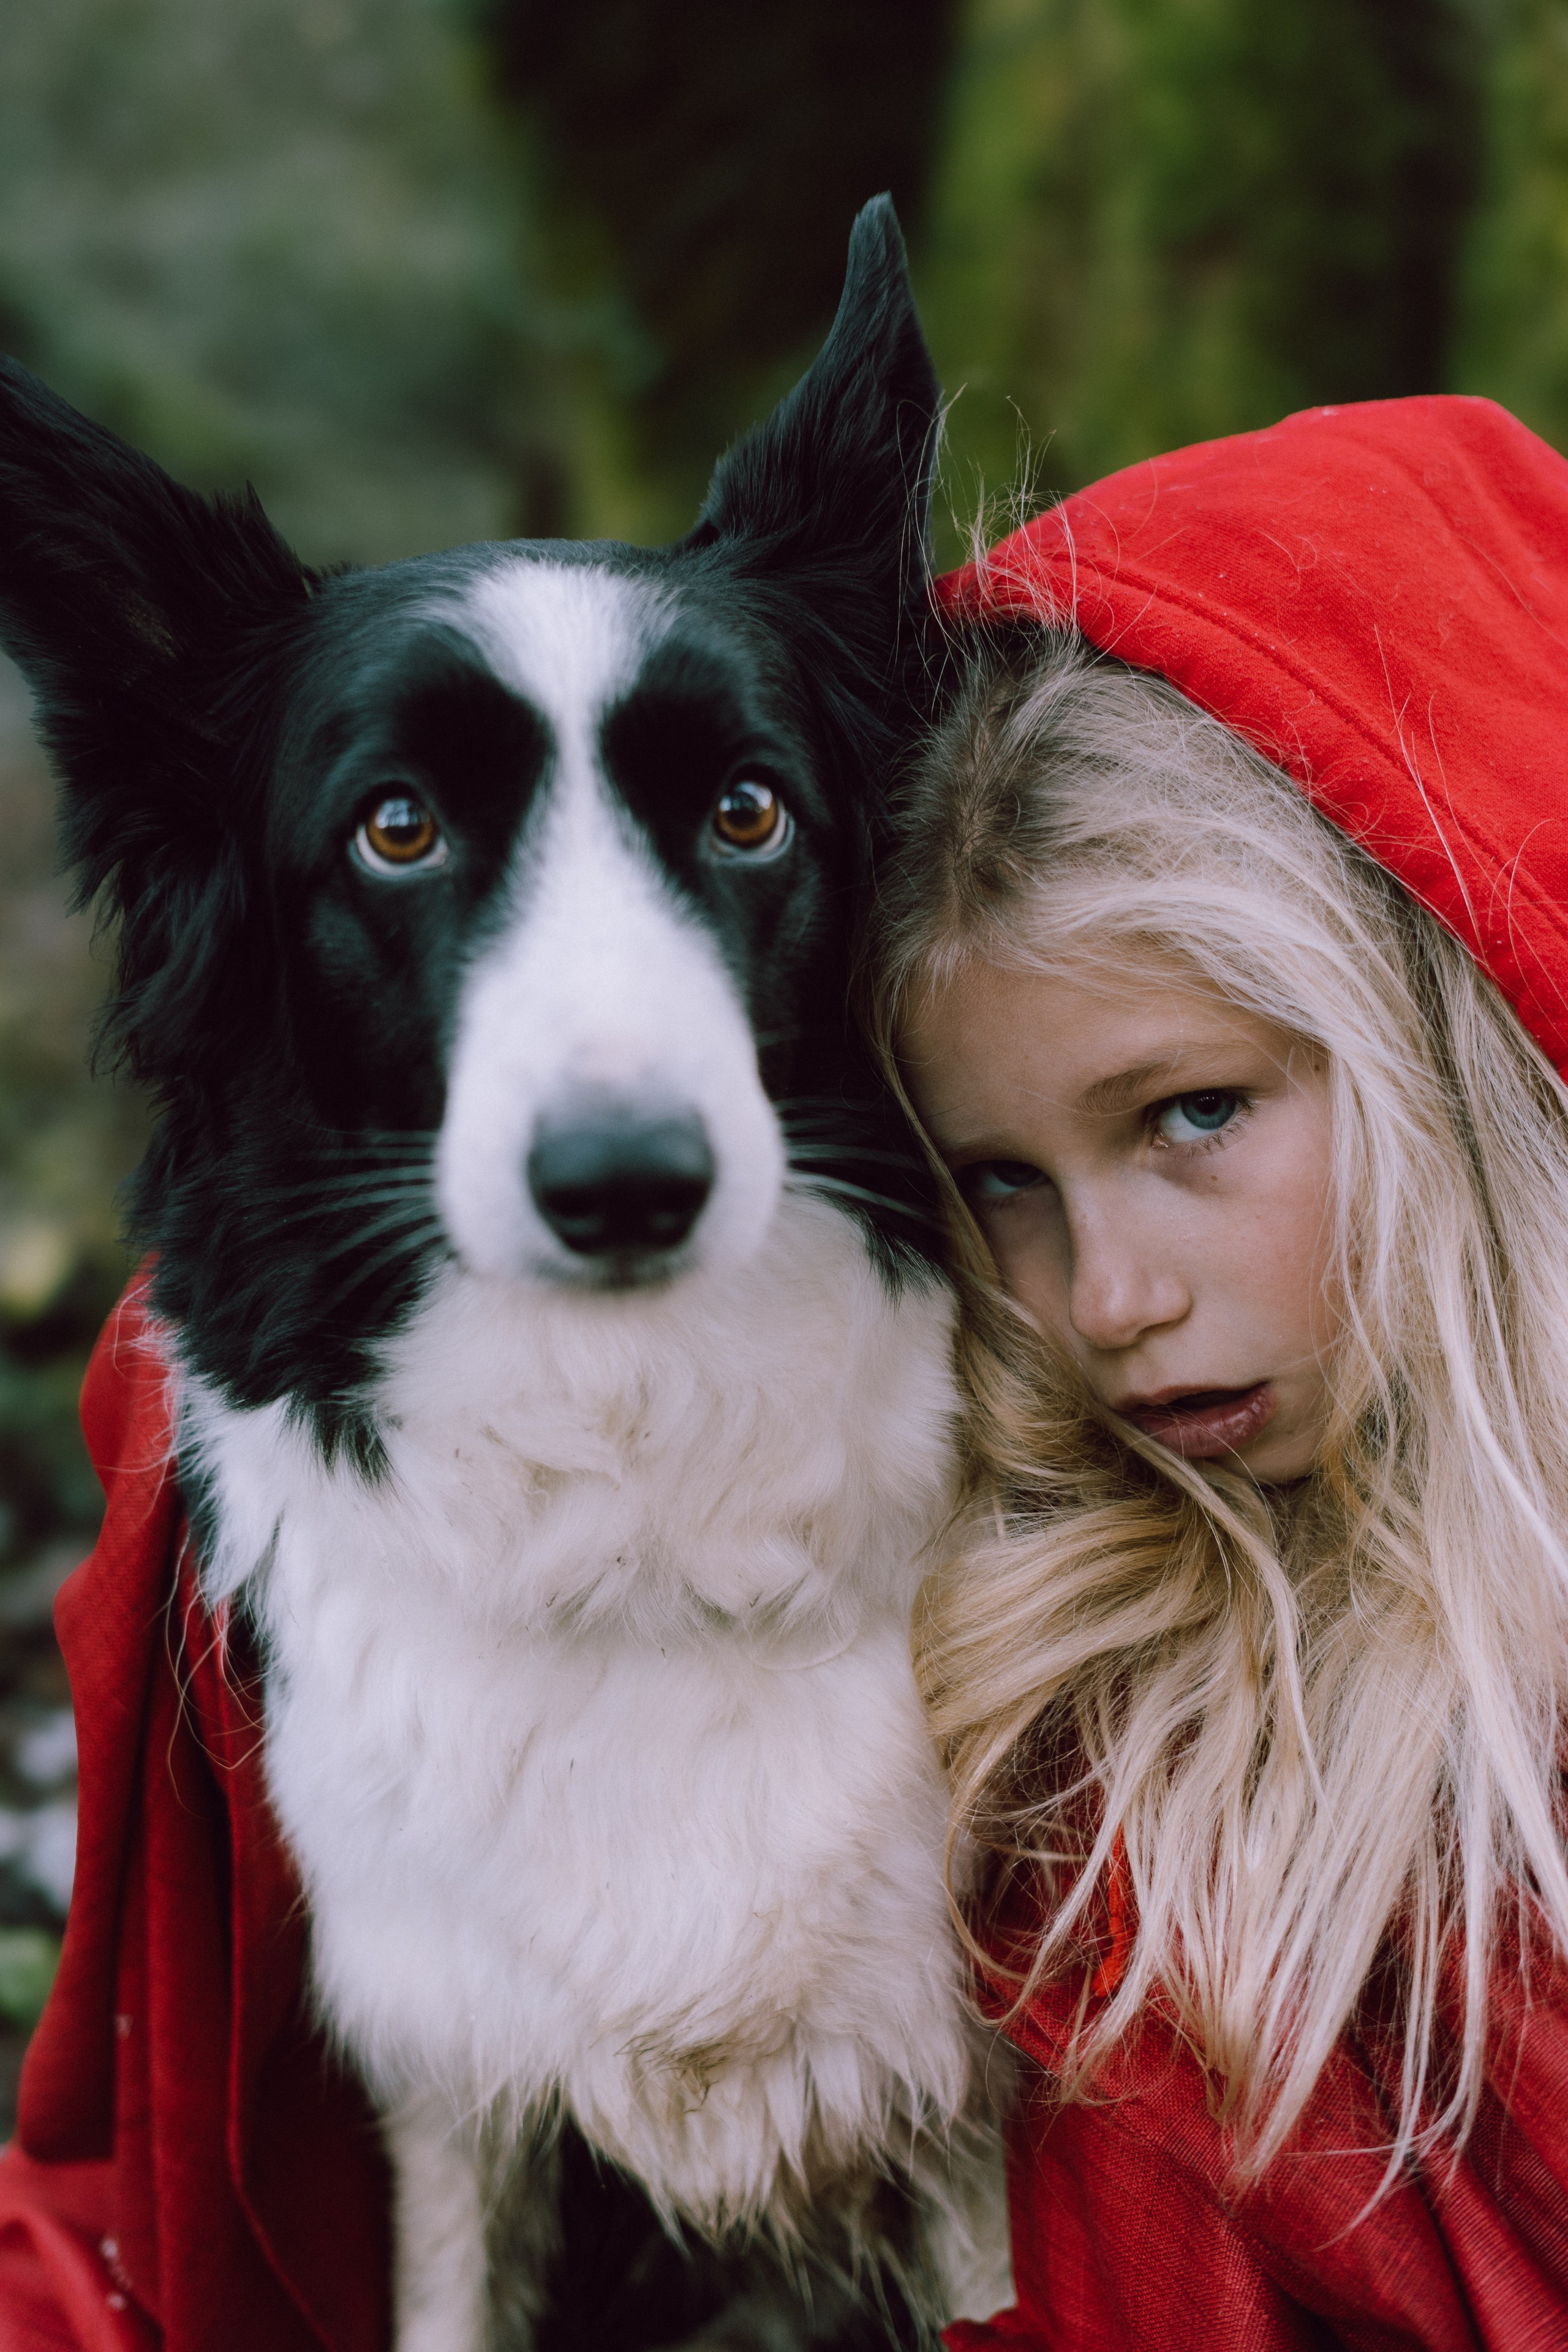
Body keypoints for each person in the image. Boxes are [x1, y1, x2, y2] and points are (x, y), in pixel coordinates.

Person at [872, 396, 1568, 2348]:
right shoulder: (1115, 1807)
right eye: (1002, 1181)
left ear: (1440, 1039)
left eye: (1189, 1115)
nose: (1100, 1299)